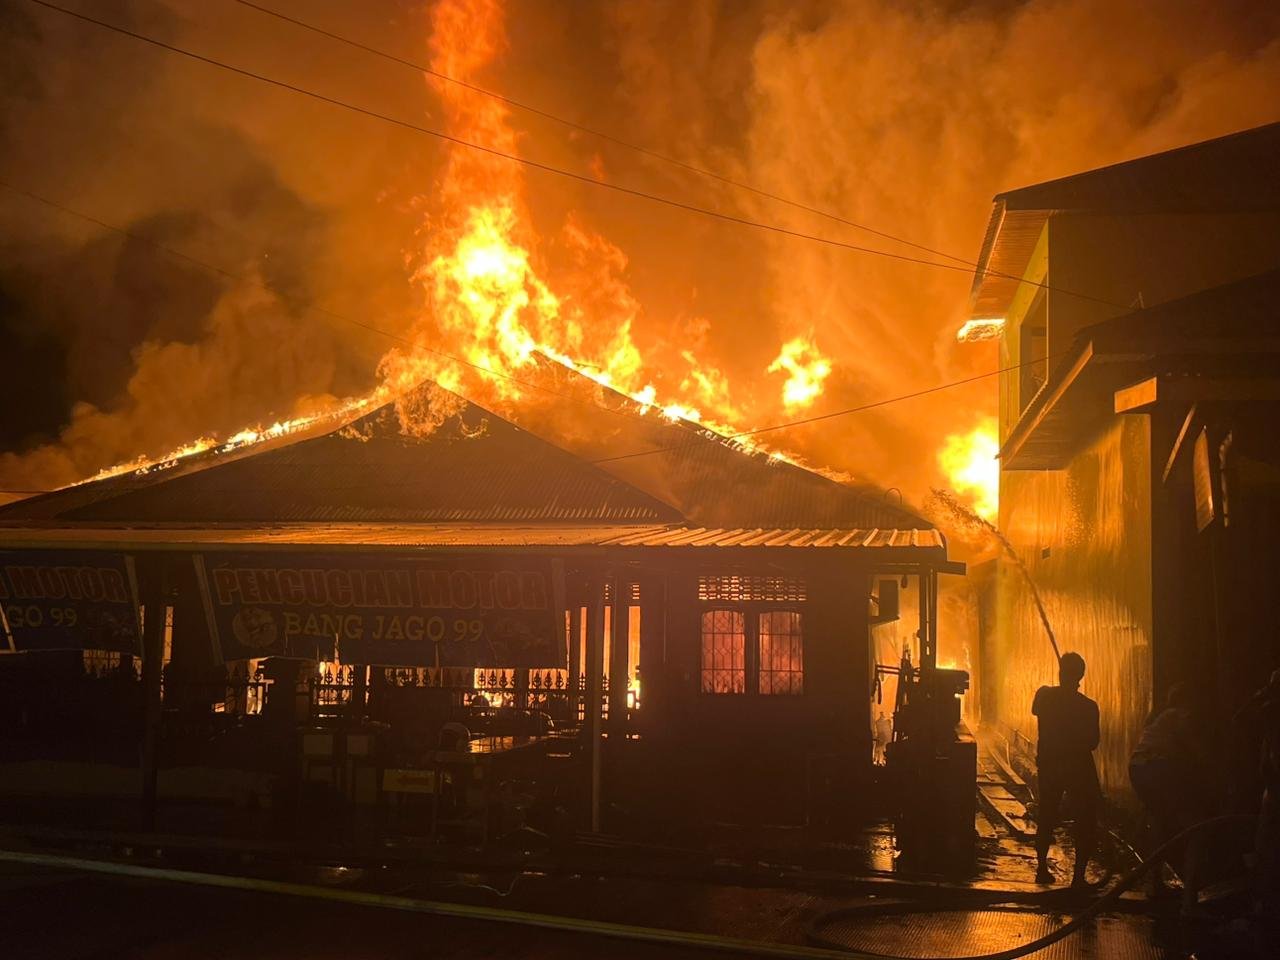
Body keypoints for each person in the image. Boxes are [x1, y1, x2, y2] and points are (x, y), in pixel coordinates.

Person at [1128, 682, 1210, 909]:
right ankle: (1189, 902)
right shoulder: (1178, 715)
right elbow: (1194, 749)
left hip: (1138, 768)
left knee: (1159, 823)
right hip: (1158, 768)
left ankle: (1156, 883)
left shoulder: (1156, 719)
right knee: (1196, 829)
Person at [1032, 652, 1100, 886]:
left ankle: (1041, 868)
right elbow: (1093, 742)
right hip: (1078, 768)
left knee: (1047, 814)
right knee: (1085, 818)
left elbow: (1036, 709)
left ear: (1060, 672)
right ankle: (1078, 877)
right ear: (1080, 676)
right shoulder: (1089, 708)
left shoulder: (1044, 696)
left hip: (1049, 764)